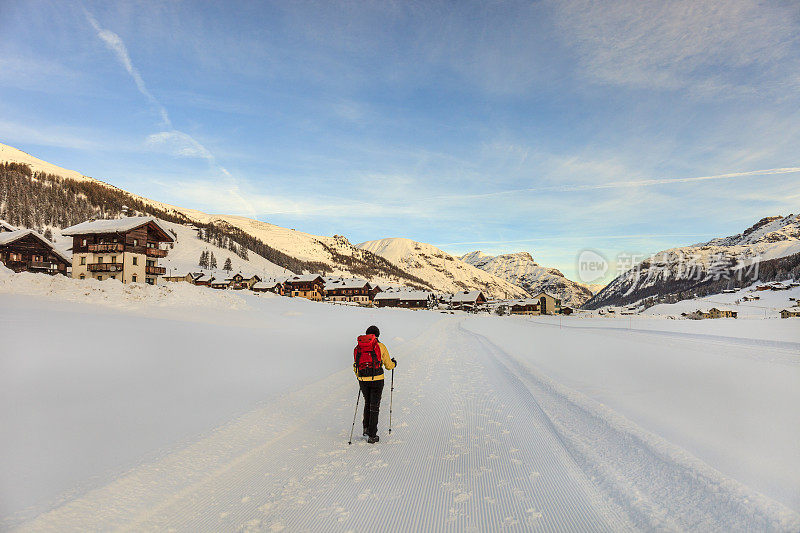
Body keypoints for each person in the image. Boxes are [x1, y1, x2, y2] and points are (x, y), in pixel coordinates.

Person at [353, 325, 396, 443]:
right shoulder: (381, 346)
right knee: (374, 406)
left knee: (367, 403)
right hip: (377, 379)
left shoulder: (358, 347)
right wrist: (394, 364)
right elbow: (388, 365)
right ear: (377, 335)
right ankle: (372, 435)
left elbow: (355, 365)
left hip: (363, 380)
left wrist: (360, 377)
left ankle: (366, 429)